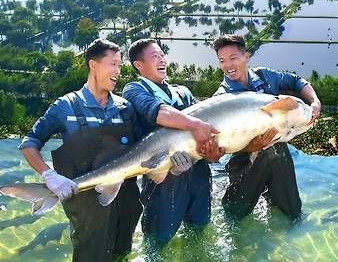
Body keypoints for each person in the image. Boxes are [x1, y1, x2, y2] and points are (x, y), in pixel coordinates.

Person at [19, 39, 143, 261]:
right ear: (93, 65)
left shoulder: (126, 108)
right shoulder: (65, 106)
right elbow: (30, 143)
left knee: (121, 255)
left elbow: (145, 148)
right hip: (86, 209)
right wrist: (49, 176)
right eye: (113, 64)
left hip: (126, 203)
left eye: (120, 65)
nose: (118, 71)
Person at [122, 38, 224, 246]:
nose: (162, 60)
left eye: (162, 54)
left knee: (199, 229)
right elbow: (159, 112)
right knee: (157, 241)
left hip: (199, 175)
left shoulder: (183, 91)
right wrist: (195, 124)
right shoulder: (134, 90)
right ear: (138, 65)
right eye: (154, 56)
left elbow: (207, 127)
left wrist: (214, 155)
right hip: (163, 179)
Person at [212, 34, 321, 221]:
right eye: (222, 61)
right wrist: (252, 147)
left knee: (293, 213)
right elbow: (221, 144)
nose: (228, 66)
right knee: (235, 215)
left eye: (233, 58)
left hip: (278, 152)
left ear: (246, 56)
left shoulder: (265, 76)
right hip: (244, 159)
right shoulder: (221, 99)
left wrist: (314, 102)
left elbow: (297, 82)